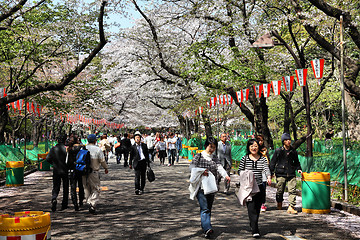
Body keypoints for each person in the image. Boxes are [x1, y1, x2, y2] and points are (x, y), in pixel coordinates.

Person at [189, 137, 231, 239]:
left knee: (208, 208)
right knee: (205, 208)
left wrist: (225, 175)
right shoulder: (199, 156)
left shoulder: (214, 157)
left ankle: (205, 225)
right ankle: (207, 228)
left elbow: (219, 167)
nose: (212, 149)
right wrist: (201, 171)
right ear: (206, 146)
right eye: (210, 147)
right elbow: (192, 167)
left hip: (212, 186)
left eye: (214, 147)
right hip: (201, 187)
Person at [238, 139, 271, 238]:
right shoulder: (245, 158)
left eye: (256, 146)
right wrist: (246, 175)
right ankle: (255, 229)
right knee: (251, 208)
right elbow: (240, 170)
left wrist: (269, 177)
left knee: (257, 208)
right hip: (248, 188)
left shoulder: (262, 159)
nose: (254, 148)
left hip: (260, 186)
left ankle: (253, 223)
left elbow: (266, 169)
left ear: (258, 147)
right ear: (248, 147)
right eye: (251, 146)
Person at [270, 133, 302, 214]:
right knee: (280, 190)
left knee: (292, 190)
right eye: (286, 140)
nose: (288, 141)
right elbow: (273, 162)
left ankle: (291, 206)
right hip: (281, 173)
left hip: (291, 173)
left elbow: (296, 162)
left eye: (289, 140)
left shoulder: (293, 151)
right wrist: (271, 172)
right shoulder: (278, 151)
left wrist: (299, 169)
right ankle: (279, 202)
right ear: (283, 141)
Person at [83, 134, 109, 214]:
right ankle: (92, 204)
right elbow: (102, 160)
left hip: (84, 172)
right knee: (96, 188)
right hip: (94, 172)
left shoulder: (83, 148)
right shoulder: (98, 149)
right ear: (95, 141)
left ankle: (88, 201)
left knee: (86, 188)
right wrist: (106, 168)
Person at [46, 134, 68, 212]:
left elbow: (47, 159)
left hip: (56, 170)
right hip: (65, 170)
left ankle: (54, 198)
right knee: (65, 187)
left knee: (56, 186)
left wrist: (53, 164)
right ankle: (64, 204)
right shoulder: (66, 149)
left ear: (57, 140)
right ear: (65, 140)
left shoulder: (53, 149)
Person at [67, 134, 85, 211]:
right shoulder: (82, 147)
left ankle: (75, 203)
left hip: (71, 170)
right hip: (80, 169)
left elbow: (67, 161)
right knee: (81, 185)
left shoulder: (69, 149)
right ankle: (81, 200)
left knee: (73, 187)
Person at [255, 134, 270, 212]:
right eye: (258, 140)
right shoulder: (253, 149)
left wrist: (269, 175)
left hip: (263, 172)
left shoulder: (265, 150)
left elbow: (268, 161)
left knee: (263, 188)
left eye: (261, 140)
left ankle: (262, 203)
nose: (260, 142)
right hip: (255, 171)